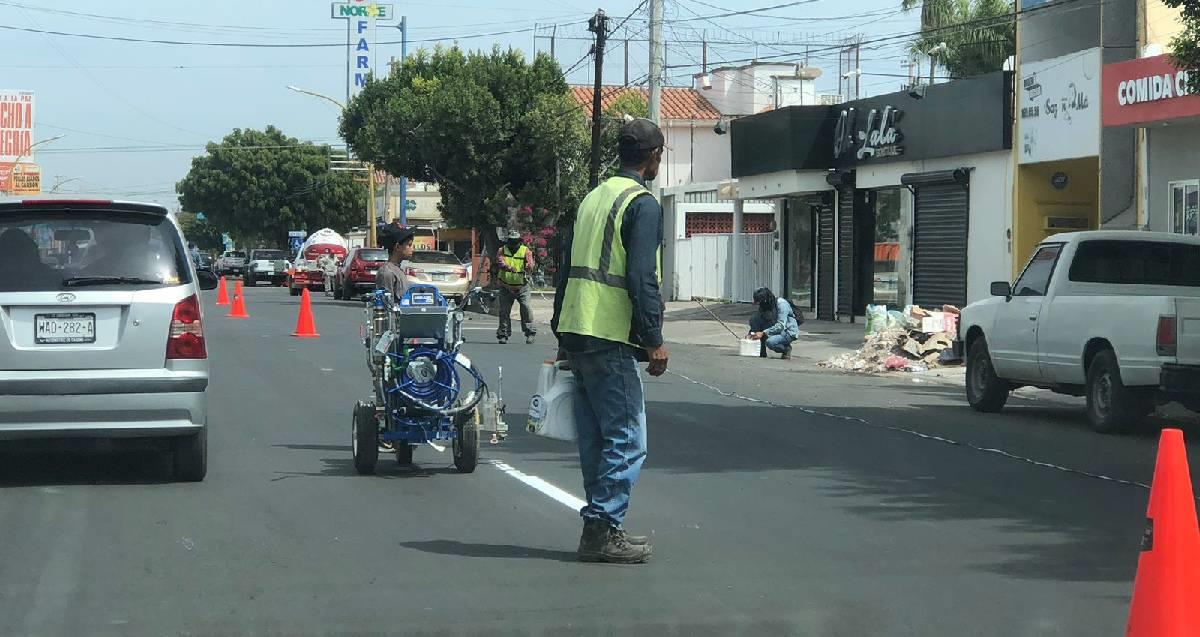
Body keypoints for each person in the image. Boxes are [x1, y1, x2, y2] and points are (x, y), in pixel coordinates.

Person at [551, 118, 667, 565]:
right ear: (653, 156)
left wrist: (563, 333)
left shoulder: (593, 198)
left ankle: (598, 528)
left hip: (578, 328)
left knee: (597, 437)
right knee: (626, 436)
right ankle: (603, 528)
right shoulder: (642, 203)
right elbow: (642, 277)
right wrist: (653, 338)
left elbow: (565, 271)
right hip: (609, 330)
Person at [495, 230, 537, 344]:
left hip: (522, 286)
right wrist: (509, 267)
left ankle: (530, 332)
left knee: (526, 308)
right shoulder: (502, 250)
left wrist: (528, 267)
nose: (513, 244)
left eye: (515, 241)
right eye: (511, 241)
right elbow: (500, 262)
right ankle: (503, 334)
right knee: (504, 311)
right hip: (505, 286)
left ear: (519, 241)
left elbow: (531, 263)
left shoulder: (525, 251)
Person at [748, 287, 800, 359]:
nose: (759, 304)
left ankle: (786, 348)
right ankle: (761, 350)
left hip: (788, 331)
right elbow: (760, 320)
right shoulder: (765, 305)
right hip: (775, 328)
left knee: (770, 342)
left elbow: (781, 325)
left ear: (765, 300)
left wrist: (763, 333)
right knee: (754, 319)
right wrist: (752, 332)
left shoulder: (781, 304)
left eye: (760, 302)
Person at [374, 224, 415, 303]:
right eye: (409, 245)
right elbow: (386, 306)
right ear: (397, 247)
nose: (412, 249)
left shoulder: (398, 270)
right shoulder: (387, 273)